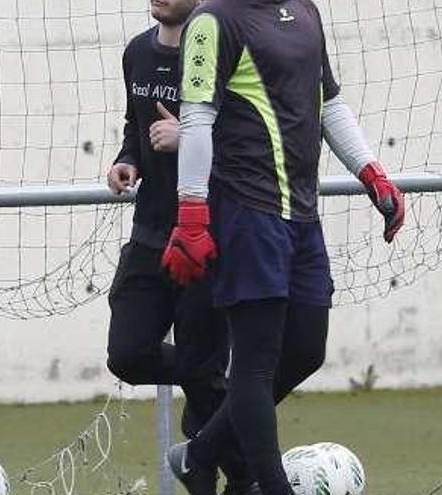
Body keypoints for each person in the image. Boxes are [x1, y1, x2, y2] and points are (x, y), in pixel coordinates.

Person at [159, 1, 406, 494]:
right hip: (247, 215)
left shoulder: (306, 11)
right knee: (255, 364)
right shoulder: (214, 21)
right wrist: (191, 212)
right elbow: (198, 118)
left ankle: (200, 454)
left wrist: (372, 172)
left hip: (302, 217)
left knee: (306, 349)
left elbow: (329, 102)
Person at [105, 1, 243, 492]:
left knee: (203, 379)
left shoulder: (218, 52)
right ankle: (239, 436)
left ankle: (230, 476)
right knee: (128, 354)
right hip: (148, 237)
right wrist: (128, 160)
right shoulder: (137, 53)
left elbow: (242, 138)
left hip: (203, 237)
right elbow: (134, 126)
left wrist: (186, 135)